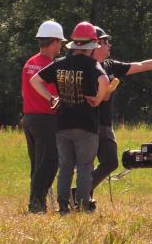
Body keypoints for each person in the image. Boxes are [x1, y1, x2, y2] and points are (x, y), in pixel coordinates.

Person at [30, 21, 110, 213]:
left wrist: (51, 98)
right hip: (86, 126)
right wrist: (98, 99)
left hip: (62, 124)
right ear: (91, 47)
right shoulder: (92, 65)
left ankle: (63, 206)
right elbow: (105, 80)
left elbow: (35, 80)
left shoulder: (60, 64)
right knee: (84, 167)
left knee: (65, 167)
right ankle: (82, 205)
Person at [89, 26, 152, 193]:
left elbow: (141, 65)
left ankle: (81, 192)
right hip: (87, 125)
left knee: (111, 162)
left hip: (104, 124)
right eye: (106, 42)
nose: (109, 45)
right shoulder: (85, 67)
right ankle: (81, 198)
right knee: (84, 164)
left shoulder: (110, 65)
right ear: (96, 44)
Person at [22, 20, 65, 214]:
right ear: (54, 42)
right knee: (50, 162)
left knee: (37, 163)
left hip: (29, 118)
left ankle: (38, 203)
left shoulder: (29, 63)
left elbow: (25, 92)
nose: (61, 46)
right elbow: (55, 94)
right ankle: (36, 203)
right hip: (46, 118)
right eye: (60, 42)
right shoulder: (49, 67)